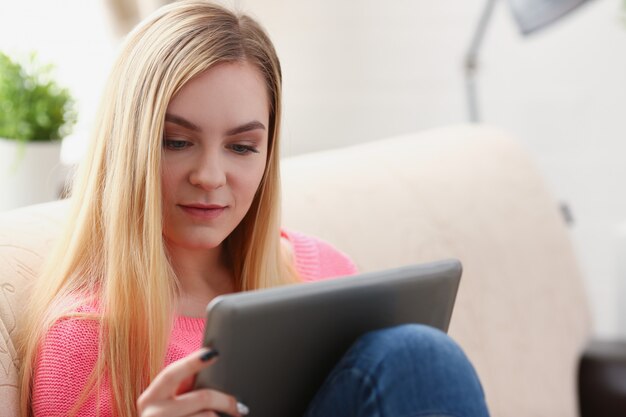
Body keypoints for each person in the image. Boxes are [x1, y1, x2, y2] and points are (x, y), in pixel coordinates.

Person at [17, 1, 491, 416]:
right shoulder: (88, 340)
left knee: (419, 355)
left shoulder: (322, 271)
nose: (209, 175)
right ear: (127, 147)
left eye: (242, 147)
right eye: (177, 142)